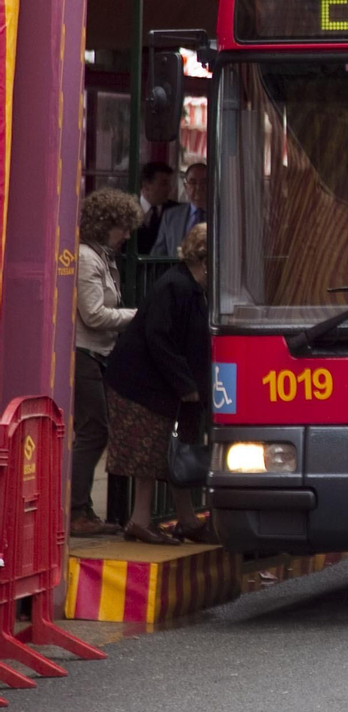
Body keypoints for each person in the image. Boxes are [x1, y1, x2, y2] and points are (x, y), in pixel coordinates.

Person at [104, 225, 212, 545]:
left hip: (162, 385)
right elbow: (159, 338)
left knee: (175, 453)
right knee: (150, 453)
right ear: (205, 259)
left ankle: (187, 519)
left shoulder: (190, 288)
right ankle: (139, 521)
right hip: (143, 384)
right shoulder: (175, 287)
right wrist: (186, 384)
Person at [69, 188, 143, 537]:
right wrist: (138, 316)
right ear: (104, 225)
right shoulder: (87, 257)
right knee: (93, 430)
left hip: (97, 354)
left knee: (94, 430)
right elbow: (94, 315)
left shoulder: (100, 257)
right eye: (122, 227)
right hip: (84, 352)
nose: (127, 235)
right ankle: (74, 509)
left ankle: (80, 506)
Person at [150, 161, 206, 257]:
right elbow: (157, 255)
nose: (198, 187)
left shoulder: (223, 216)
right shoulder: (170, 216)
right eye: (193, 182)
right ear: (185, 186)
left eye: (204, 182)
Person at [135, 161, 175, 255]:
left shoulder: (175, 211)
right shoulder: (128, 209)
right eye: (164, 184)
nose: (169, 189)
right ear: (146, 186)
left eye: (169, 184)